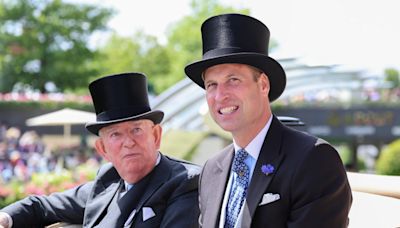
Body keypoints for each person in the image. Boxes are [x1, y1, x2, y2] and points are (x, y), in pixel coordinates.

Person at [185, 13, 352, 228]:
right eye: (211, 85)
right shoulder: (210, 171)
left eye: (233, 80)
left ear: (263, 84)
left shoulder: (314, 160)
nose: (220, 95)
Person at [0, 72, 200, 228]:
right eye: (115, 134)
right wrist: (5, 218)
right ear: (103, 149)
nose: (128, 142)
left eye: (136, 130)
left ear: (156, 136)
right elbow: (40, 207)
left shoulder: (185, 182)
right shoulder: (108, 181)